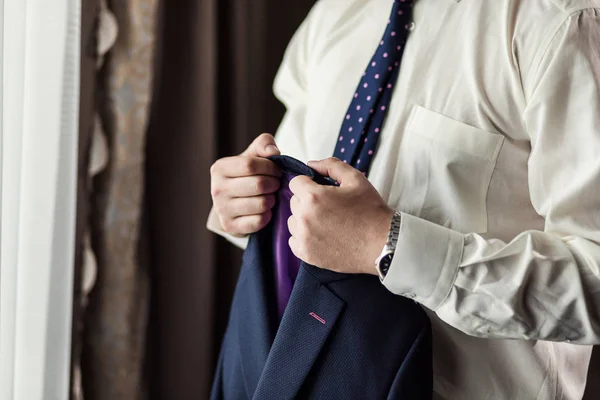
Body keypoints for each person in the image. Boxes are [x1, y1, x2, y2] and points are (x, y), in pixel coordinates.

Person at [208, 0, 600, 398]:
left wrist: (390, 245)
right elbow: (302, 211)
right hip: (296, 374)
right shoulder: (334, 13)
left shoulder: (564, 24)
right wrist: (248, 203)